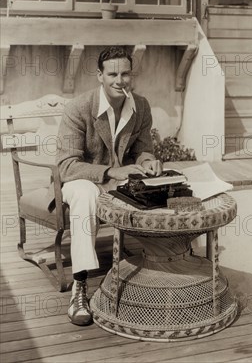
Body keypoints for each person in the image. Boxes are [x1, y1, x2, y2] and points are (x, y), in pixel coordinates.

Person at [55, 46, 162, 326]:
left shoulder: (140, 106)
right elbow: (66, 165)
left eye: (125, 73)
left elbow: (143, 150)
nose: (120, 80)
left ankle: (160, 268)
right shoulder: (78, 108)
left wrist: (148, 160)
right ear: (99, 76)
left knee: (167, 185)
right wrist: (111, 170)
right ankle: (80, 285)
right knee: (85, 194)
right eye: (112, 73)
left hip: (120, 181)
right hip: (81, 180)